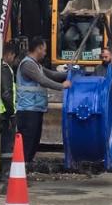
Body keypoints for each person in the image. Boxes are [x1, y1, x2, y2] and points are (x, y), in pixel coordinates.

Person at [15, 36, 71, 164]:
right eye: (44, 50)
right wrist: (62, 86)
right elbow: (43, 80)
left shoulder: (36, 65)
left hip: (36, 108)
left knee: (34, 141)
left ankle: (25, 169)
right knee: (28, 143)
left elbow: (52, 74)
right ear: (38, 48)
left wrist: (69, 74)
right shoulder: (27, 65)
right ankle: (21, 170)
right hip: (27, 110)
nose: (45, 53)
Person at [0, 41, 20, 169]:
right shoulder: (5, 69)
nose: (14, 60)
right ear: (9, 54)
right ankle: (5, 174)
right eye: (14, 56)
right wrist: (12, 113)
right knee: (6, 145)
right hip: (4, 114)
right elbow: (6, 93)